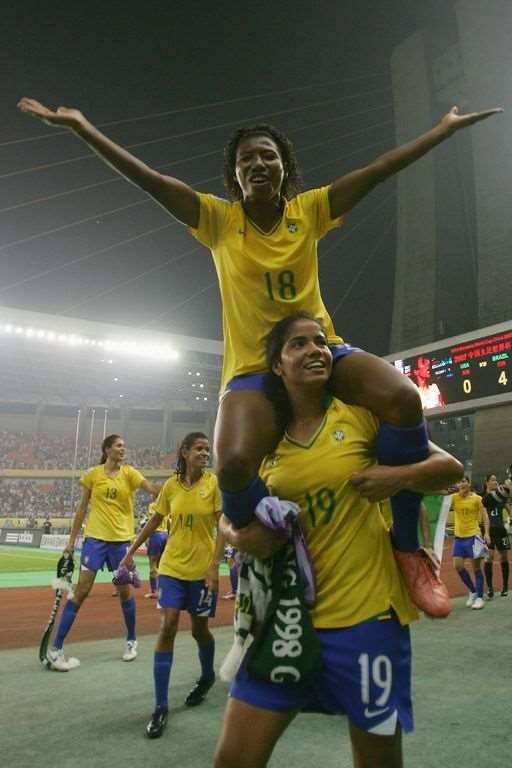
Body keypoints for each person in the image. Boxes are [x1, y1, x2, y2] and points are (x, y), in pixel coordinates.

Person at [17, 96, 502, 614]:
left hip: (319, 348)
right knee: (231, 463)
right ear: (234, 175)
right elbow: (150, 181)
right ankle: (268, 546)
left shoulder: (309, 210)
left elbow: (378, 169)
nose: (257, 163)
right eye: (246, 158)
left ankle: (406, 547)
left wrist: (441, 130)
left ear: (284, 166)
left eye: (268, 155)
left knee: (404, 398)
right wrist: (83, 127)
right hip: (253, 368)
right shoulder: (218, 220)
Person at [214, 312, 463, 768]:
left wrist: (397, 477)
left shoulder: (362, 418)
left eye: (321, 342)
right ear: (277, 366)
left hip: (367, 621)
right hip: (286, 625)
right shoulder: (265, 441)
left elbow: (450, 469)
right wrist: (238, 535)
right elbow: (229, 518)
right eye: (299, 344)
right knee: (233, 759)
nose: (315, 350)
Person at [120, 432, 224, 739]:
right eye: (199, 449)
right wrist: (130, 551)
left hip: (201, 572)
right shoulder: (170, 486)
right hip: (172, 568)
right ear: (185, 452)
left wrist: (215, 565)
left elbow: (224, 526)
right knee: (168, 626)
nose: (205, 454)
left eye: (207, 450)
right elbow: (155, 521)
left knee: (199, 630)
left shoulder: (214, 484)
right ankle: (160, 706)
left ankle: (207, 676)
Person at [46, 434, 160, 671]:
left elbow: (151, 488)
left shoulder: (130, 473)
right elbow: (81, 509)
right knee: (81, 591)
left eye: (124, 446)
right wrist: (71, 541)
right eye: (119, 446)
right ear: (107, 449)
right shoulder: (93, 474)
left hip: (120, 543)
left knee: (124, 593)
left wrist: (169, 487)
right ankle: (56, 649)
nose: (123, 449)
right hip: (94, 541)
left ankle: (131, 641)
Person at [450, 476, 490, 610]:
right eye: (459, 481)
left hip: (473, 536)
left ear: (469, 483)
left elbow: (485, 516)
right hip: (459, 538)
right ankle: (473, 591)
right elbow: (440, 501)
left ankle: (480, 597)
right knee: (457, 566)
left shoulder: (477, 498)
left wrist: (486, 533)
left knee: (476, 568)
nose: (461, 484)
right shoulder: (454, 498)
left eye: (463, 481)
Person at [482, 474, 511, 598]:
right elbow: (484, 515)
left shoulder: (501, 496)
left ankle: (505, 586)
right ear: (487, 482)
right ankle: (490, 588)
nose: (495, 482)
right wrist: (486, 533)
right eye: (493, 480)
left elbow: (508, 508)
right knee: (489, 557)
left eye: (496, 480)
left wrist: (510, 518)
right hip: (490, 531)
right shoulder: (484, 498)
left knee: (504, 557)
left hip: (501, 530)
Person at [143, 501, 169, 599]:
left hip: (156, 535)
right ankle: (164, 588)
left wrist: (147, 537)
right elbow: (169, 522)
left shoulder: (153, 505)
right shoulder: (167, 504)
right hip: (165, 535)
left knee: (152, 565)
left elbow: (152, 521)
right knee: (161, 565)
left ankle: (154, 591)